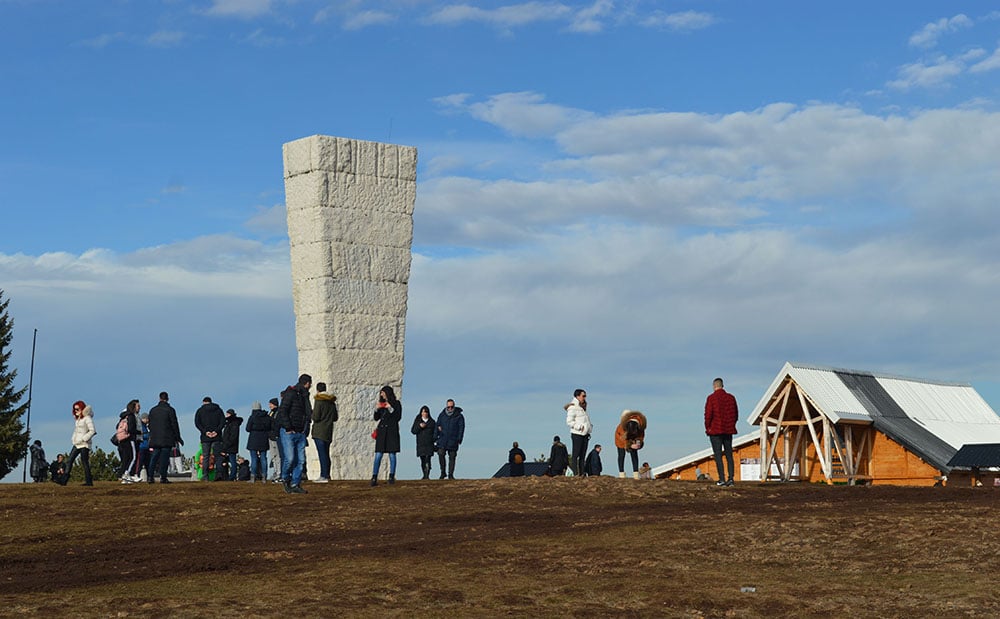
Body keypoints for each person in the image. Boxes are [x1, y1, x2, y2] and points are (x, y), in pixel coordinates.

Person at [276, 374, 313, 494]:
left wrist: (305, 430)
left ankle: (295, 483)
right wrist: (288, 427)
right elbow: (283, 410)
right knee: (290, 458)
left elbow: (308, 414)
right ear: (307, 383)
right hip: (289, 431)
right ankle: (286, 479)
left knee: (300, 461)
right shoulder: (291, 393)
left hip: (300, 432)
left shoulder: (304, 396)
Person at [705, 377, 739, 487]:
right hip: (728, 430)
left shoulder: (711, 398)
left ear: (714, 386)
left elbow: (708, 415)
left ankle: (722, 479)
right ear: (722, 386)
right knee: (729, 455)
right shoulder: (731, 398)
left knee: (718, 455)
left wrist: (708, 428)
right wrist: (732, 424)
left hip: (715, 431)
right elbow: (735, 414)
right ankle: (731, 479)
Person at [147, 391, 183, 484]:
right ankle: (163, 477)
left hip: (155, 438)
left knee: (154, 457)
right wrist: (178, 437)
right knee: (164, 459)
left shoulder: (153, 410)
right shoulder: (170, 410)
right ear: (168, 399)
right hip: (167, 438)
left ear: (159, 398)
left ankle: (150, 476)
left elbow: (149, 424)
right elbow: (174, 424)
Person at [371, 385, 402, 487]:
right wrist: (376, 409)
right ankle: (374, 477)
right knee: (378, 455)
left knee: (392, 454)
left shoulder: (396, 403)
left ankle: (391, 476)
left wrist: (390, 408)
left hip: (392, 432)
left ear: (388, 393)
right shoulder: (381, 404)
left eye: (383, 393)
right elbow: (376, 418)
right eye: (381, 393)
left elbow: (398, 417)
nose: (381, 395)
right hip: (382, 432)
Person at [310, 382, 338, 483]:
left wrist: (312, 413)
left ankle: (323, 475)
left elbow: (316, 417)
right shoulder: (332, 402)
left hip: (319, 431)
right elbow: (335, 417)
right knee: (326, 453)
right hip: (328, 431)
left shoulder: (319, 401)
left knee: (322, 454)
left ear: (318, 390)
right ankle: (327, 474)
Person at [194, 396, 225, 482]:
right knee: (217, 456)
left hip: (205, 437)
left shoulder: (200, 411)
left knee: (206, 456)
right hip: (217, 436)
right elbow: (222, 422)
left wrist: (205, 432)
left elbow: (197, 423)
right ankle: (219, 474)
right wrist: (216, 431)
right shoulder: (218, 410)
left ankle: (205, 475)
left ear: (203, 402)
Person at [65, 401, 96, 486]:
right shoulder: (78, 420)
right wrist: (73, 439)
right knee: (69, 460)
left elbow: (93, 430)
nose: (76, 411)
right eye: (74, 409)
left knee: (84, 462)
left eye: (77, 409)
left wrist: (84, 439)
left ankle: (89, 482)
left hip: (84, 444)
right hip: (77, 443)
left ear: (82, 409)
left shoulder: (87, 418)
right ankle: (64, 479)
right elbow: (76, 431)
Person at [435, 399, 465, 480]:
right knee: (441, 454)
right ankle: (443, 472)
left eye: (452, 407)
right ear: (446, 407)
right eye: (448, 407)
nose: (450, 408)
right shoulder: (442, 415)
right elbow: (437, 425)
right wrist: (435, 437)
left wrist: (459, 439)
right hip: (442, 439)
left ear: (454, 406)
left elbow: (461, 428)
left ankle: (450, 474)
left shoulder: (459, 416)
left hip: (453, 440)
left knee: (452, 457)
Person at [564, 389, 592, 476]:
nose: (584, 398)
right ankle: (575, 473)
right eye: (583, 396)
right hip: (577, 434)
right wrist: (579, 427)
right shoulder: (573, 407)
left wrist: (589, 428)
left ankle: (582, 473)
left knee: (583, 455)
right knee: (576, 455)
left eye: (585, 396)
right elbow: (569, 421)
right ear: (577, 396)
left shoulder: (582, 407)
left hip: (585, 434)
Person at [114, 399, 141, 484]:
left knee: (126, 458)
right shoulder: (131, 416)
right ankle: (127, 474)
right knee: (133, 457)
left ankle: (125, 477)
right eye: (138, 406)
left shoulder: (124, 416)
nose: (139, 407)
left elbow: (117, 426)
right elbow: (131, 429)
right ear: (133, 407)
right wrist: (139, 432)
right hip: (130, 439)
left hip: (122, 439)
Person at [615, 410, 647, 479]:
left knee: (634, 454)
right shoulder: (621, 428)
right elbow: (622, 438)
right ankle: (621, 474)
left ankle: (636, 474)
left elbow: (641, 437)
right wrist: (629, 445)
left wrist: (638, 443)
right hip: (620, 439)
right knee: (621, 455)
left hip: (633, 439)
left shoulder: (641, 426)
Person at [245, 401, 272, 483]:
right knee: (263, 458)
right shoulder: (266, 417)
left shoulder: (252, 417)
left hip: (253, 439)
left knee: (254, 458)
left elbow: (247, 428)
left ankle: (253, 477)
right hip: (264, 439)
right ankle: (264, 477)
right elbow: (269, 427)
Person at [411, 405, 435, 479]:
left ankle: (427, 475)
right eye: (423, 412)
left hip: (429, 444)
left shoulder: (432, 422)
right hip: (421, 444)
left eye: (426, 412)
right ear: (421, 413)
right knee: (423, 460)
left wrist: (434, 440)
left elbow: (435, 433)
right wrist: (419, 427)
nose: (424, 413)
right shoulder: (417, 421)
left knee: (428, 459)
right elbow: (413, 431)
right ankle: (424, 474)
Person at [220, 408, 244, 481]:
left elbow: (233, 436)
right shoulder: (229, 423)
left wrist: (227, 444)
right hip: (228, 445)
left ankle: (232, 476)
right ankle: (227, 476)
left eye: (228, 414)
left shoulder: (234, 423)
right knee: (228, 461)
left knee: (232, 461)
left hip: (231, 445)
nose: (226, 415)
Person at [266, 398, 283, 482]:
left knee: (277, 455)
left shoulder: (277, 412)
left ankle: (279, 472)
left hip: (275, 436)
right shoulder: (271, 413)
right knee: (273, 456)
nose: (269, 405)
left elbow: (276, 423)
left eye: (270, 404)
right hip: (270, 436)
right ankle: (276, 471)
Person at [137, 413, 151, 482]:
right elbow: (141, 435)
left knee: (147, 463)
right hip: (141, 447)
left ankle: (149, 477)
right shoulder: (140, 426)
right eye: (147, 419)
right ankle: (137, 475)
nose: (148, 420)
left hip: (146, 447)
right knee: (140, 463)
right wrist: (148, 436)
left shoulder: (146, 426)